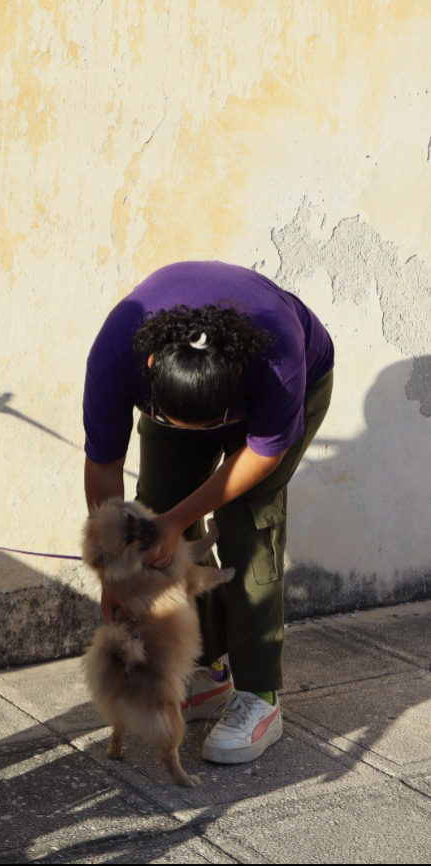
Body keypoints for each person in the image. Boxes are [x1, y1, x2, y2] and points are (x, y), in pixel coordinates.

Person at [83, 261, 334, 764]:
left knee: (247, 520)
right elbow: (105, 469)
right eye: (184, 425)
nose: (204, 437)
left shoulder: (276, 355)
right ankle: (210, 670)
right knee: (152, 517)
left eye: (212, 425)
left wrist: (180, 522)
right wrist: (115, 573)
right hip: (188, 385)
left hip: (288, 389)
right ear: (151, 367)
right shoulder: (117, 353)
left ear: (237, 375)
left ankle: (259, 696)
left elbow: (262, 453)